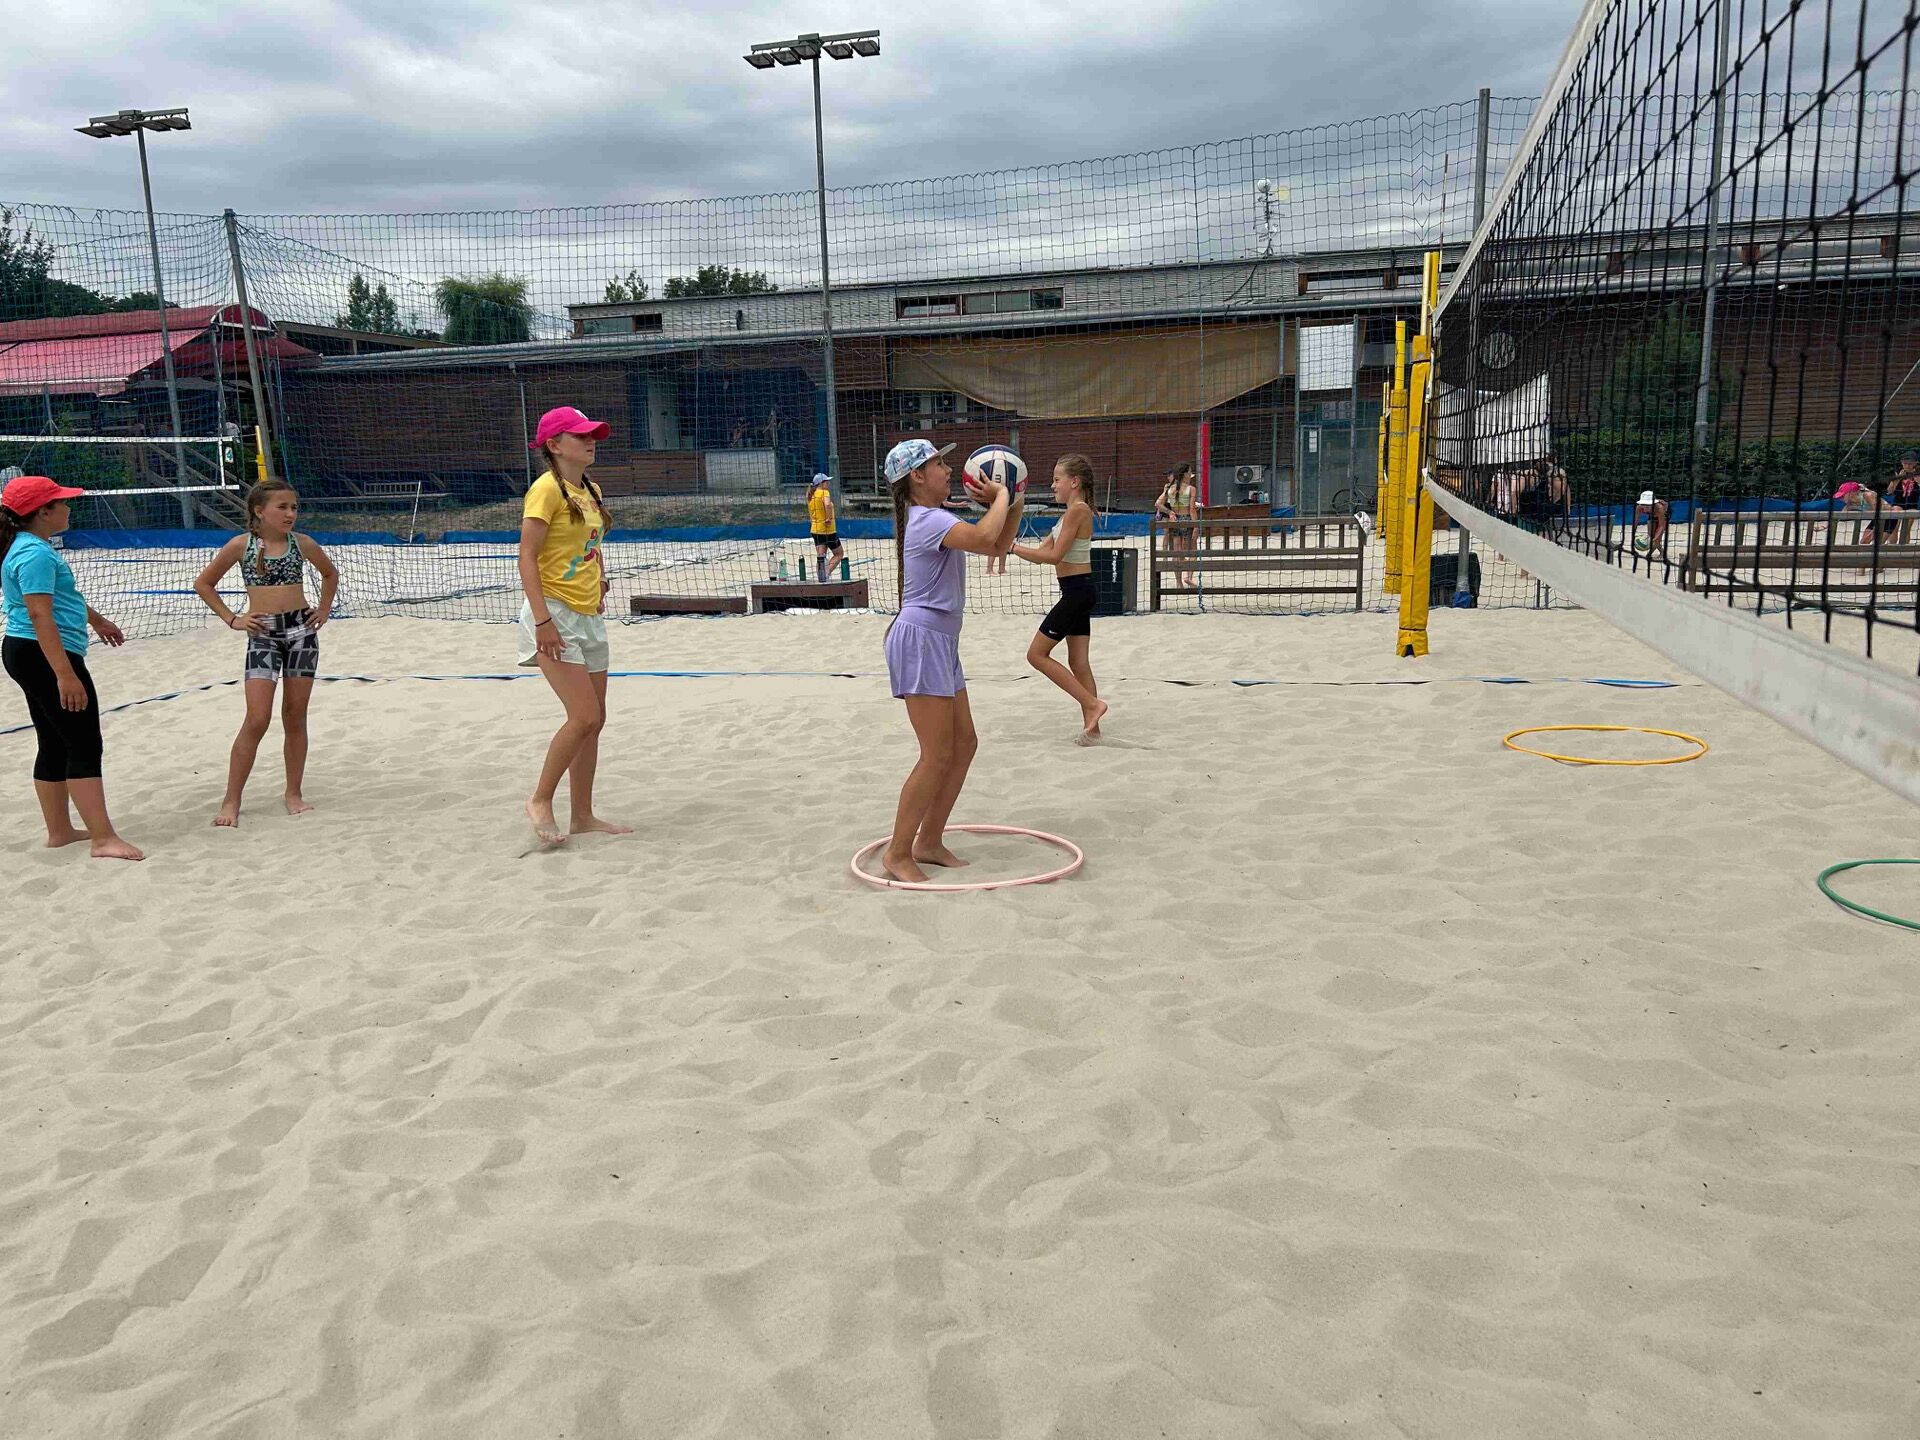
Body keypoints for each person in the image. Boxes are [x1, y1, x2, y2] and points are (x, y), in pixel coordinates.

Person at [881, 437, 1009, 885]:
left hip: (940, 641)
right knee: (935, 754)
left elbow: (997, 545)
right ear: (917, 476)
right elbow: (986, 536)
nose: (949, 469)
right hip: (921, 640)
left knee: (964, 744)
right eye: (939, 463)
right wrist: (1002, 495)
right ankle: (898, 853)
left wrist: (1011, 501)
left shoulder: (935, 517)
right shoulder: (928, 519)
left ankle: (929, 841)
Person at [0, 475, 142, 860]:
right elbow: (39, 614)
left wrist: (96, 620)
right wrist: (65, 674)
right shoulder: (35, 554)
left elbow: (59, 598)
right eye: (61, 502)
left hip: (25, 650)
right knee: (83, 742)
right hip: (42, 653)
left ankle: (60, 832)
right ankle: (103, 839)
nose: (68, 507)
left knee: (54, 739)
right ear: (43, 512)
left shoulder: (26, 545)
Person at [192, 480, 339, 826]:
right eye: (282, 507)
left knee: (295, 715)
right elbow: (203, 584)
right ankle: (231, 800)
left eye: (294, 507)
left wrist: (323, 609)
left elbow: (330, 574)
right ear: (259, 511)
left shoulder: (302, 544)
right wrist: (232, 619)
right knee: (257, 718)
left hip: (301, 634)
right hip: (263, 636)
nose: (290, 514)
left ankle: (293, 793)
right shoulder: (241, 545)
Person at [518, 406, 631, 847]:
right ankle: (540, 799)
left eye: (592, 435)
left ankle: (582, 816)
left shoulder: (590, 489)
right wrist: (543, 620)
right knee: (582, 716)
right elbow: (527, 557)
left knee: (595, 720)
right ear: (554, 445)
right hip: (554, 613)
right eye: (580, 435)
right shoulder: (545, 490)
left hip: (588, 615)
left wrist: (599, 578)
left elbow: (589, 545)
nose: (590, 441)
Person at [1011, 452, 1108, 742]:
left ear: (1074, 482)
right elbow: (1041, 553)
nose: (1052, 485)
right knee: (1078, 663)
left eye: (1057, 479)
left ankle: (1092, 705)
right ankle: (1093, 729)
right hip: (1078, 591)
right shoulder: (1068, 514)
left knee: (1036, 655)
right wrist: (1008, 545)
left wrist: (1011, 548)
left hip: (1077, 592)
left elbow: (1054, 557)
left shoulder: (1078, 510)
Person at [1155, 462, 1200, 588]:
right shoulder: (1191, 489)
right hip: (1187, 519)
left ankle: (1179, 583)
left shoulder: (1170, 489)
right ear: (1185, 474)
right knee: (1193, 551)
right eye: (1190, 472)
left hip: (1175, 520)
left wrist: (1170, 512)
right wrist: (1196, 526)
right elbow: (1192, 509)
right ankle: (1188, 577)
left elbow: (1158, 504)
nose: (1191, 474)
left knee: (1177, 552)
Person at [807, 473, 846, 582]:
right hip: (827, 530)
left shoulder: (811, 495)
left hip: (816, 530)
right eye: (826, 481)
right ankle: (826, 572)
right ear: (821, 483)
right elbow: (827, 504)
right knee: (839, 554)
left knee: (821, 557)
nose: (828, 483)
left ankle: (821, 577)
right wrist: (829, 518)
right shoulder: (824, 492)